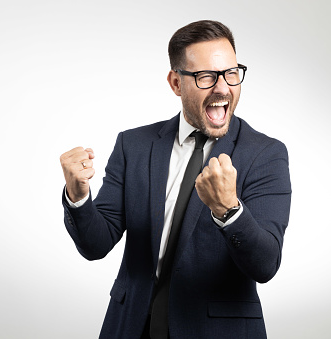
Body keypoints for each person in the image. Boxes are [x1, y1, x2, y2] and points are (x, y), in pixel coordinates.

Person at [59, 20, 291, 339]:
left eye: (231, 73)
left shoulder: (265, 153)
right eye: (206, 76)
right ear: (176, 83)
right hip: (130, 325)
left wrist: (229, 210)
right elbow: (96, 244)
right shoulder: (134, 145)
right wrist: (78, 195)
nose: (222, 88)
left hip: (216, 330)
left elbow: (265, 264)